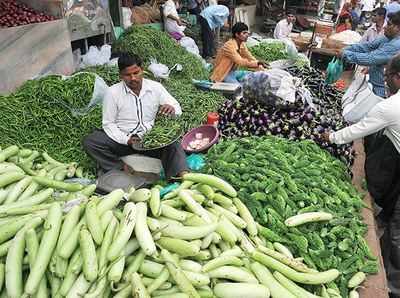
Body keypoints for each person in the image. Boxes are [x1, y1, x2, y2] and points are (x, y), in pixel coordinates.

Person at [322, 54, 400, 298]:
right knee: (392, 222)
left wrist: (331, 137)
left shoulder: (390, 107)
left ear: (398, 77)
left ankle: (393, 287)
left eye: (387, 76)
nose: (385, 80)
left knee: (398, 231)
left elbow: (358, 128)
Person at [83, 53, 189, 180]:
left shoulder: (155, 88)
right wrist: (126, 139)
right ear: (120, 75)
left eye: (136, 72)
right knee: (91, 141)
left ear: (142, 70)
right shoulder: (112, 93)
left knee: (174, 145)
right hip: (124, 141)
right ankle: (122, 168)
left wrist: (171, 108)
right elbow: (108, 123)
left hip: (149, 140)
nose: (133, 78)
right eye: (127, 75)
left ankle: (182, 177)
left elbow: (177, 107)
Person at [337, 11, 400, 97]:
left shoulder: (396, 45)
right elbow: (369, 46)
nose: (385, 27)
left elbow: (370, 59)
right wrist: (347, 48)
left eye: (389, 24)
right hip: (373, 84)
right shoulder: (387, 38)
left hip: (383, 90)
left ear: (398, 28)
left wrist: (346, 54)